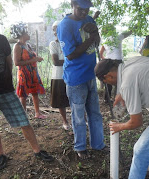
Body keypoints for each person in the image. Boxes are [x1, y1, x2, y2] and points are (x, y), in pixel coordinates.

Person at [0, 6, 54, 171]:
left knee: (23, 120)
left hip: (6, 90)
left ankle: (37, 150)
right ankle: (1, 154)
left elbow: (9, 64)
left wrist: (8, 83)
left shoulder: (1, 40)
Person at [57, 0, 106, 159]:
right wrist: (91, 38)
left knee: (95, 113)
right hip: (75, 78)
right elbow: (70, 54)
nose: (84, 12)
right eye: (80, 9)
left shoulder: (89, 19)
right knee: (78, 115)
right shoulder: (65, 26)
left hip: (90, 74)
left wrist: (96, 33)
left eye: (87, 9)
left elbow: (97, 43)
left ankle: (98, 144)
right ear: (72, 5)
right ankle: (80, 147)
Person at [11, 22, 47, 119]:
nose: (29, 34)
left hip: (33, 73)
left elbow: (31, 58)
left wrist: (37, 59)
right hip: (24, 74)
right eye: (27, 33)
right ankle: (23, 116)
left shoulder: (28, 45)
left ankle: (37, 113)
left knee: (35, 92)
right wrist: (34, 60)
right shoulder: (17, 46)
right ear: (22, 34)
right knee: (23, 95)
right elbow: (17, 63)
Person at [99, 24, 132, 103]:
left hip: (109, 62)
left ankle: (107, 99)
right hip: (118, 61)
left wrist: (105, 60)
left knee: (108, 80)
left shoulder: (105, 40)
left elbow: (100, 54)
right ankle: (118, 98)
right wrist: (133, 28)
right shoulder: (119, 37)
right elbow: (129, 32)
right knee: (119, 81)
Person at [49, 21, 70, 130]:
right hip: (58, 76)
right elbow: (56, 62)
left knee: (75, 98)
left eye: (57, 29)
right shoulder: (53, 44)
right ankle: (65, 121)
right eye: (54, 29)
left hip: (71, 74)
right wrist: (71, 59)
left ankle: (82, 119)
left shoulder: (68, 42)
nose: (55, 31)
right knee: (61, 101)